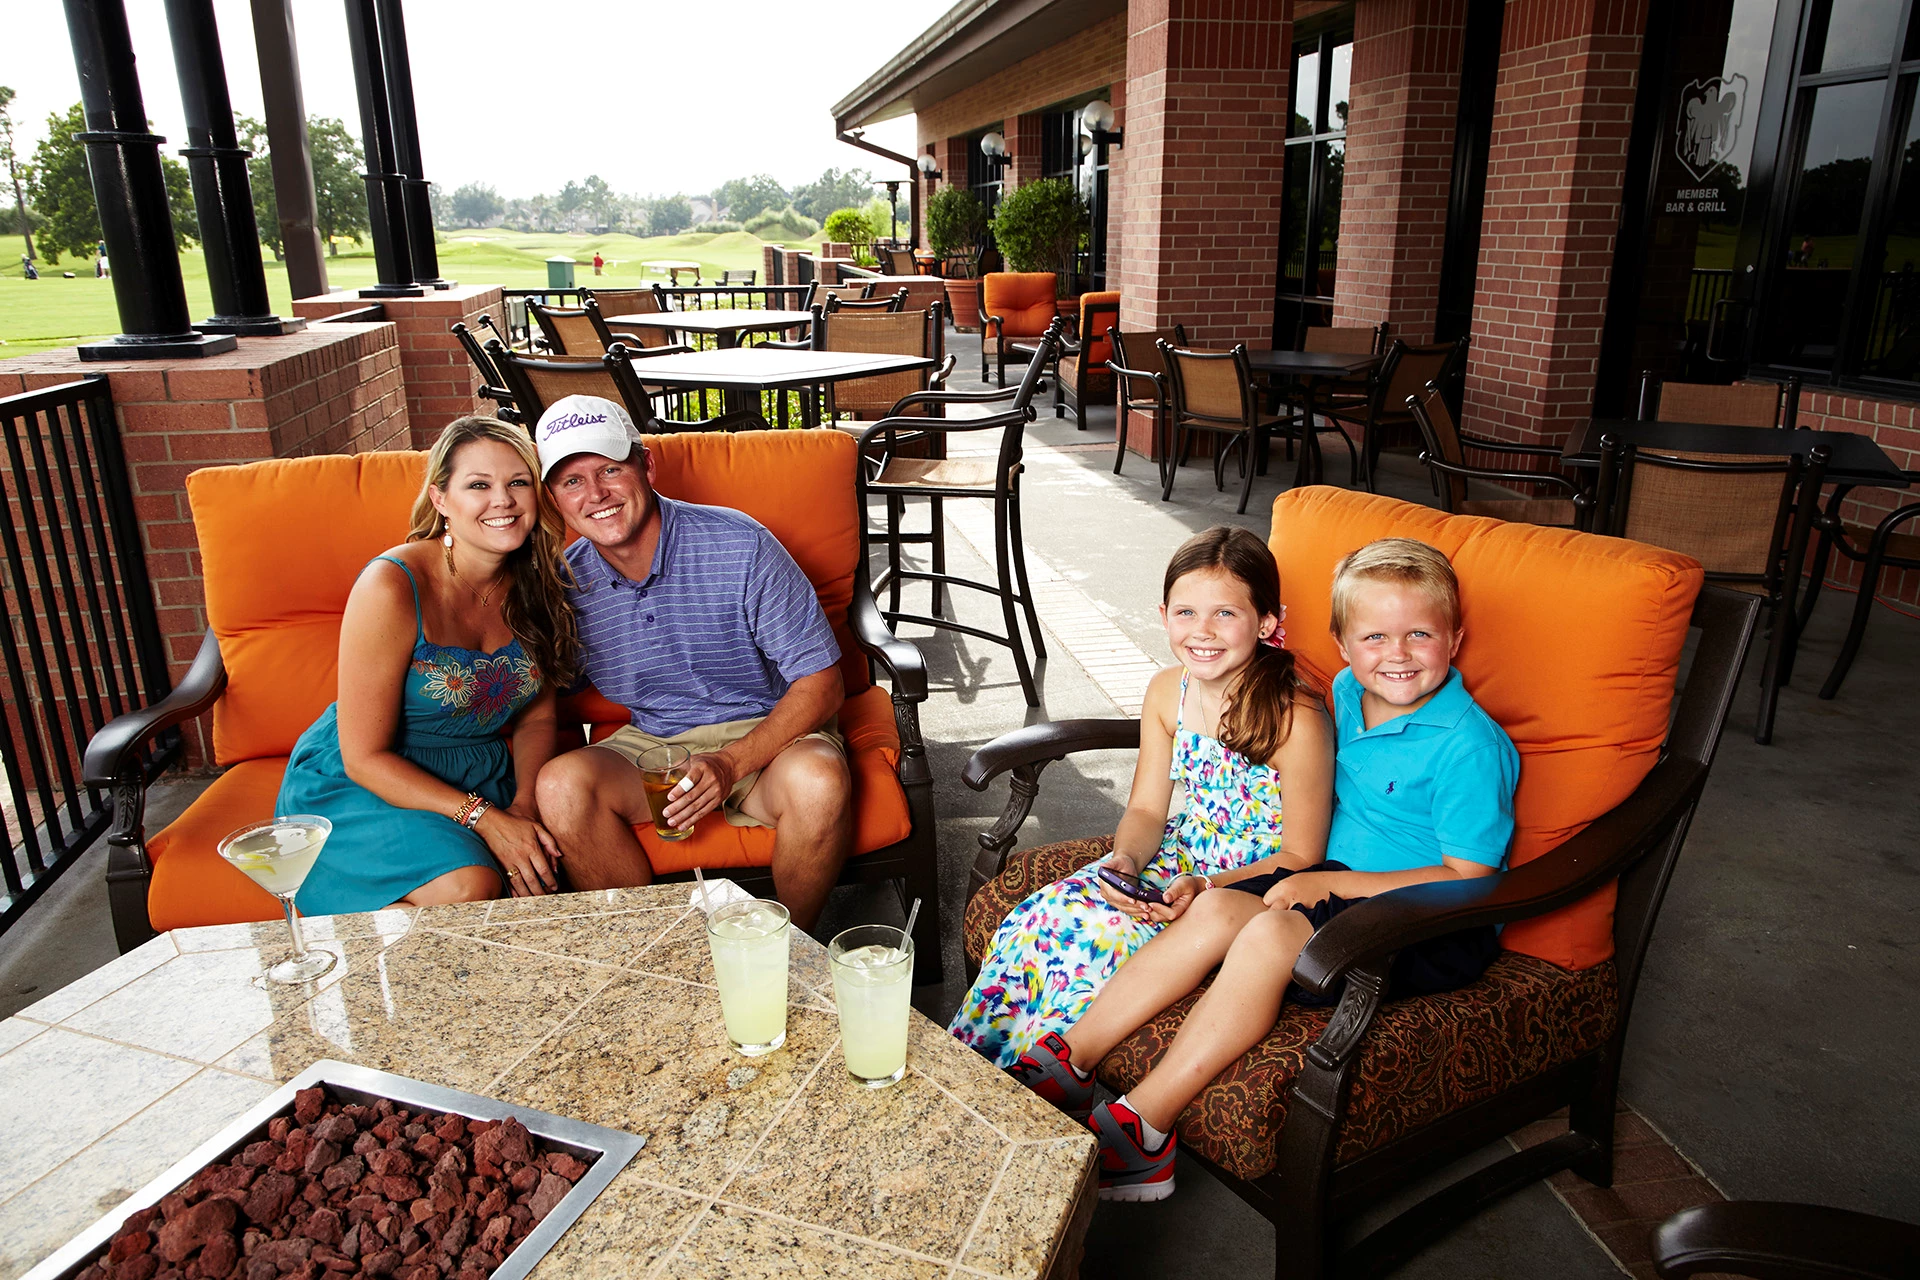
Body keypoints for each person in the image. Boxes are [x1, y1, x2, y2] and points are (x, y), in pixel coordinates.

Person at [1010, 538, 1519, 1202]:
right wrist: (1214, 880)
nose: (1395, 654)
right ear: (1341, 644)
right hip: (1340, 888)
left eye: (1419, 634)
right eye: (1374, 636)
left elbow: (1472, 878)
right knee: (1215, 908)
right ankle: (1069, 1057)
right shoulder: (1349, 691)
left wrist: (1328, 882)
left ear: (1455, 639)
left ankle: (1144, 1128)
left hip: (1435, 920)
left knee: (1269, 933)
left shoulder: (1470, 746)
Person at [950, 526, 1333, 1069]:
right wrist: (1125, 862)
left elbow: (1302, 856)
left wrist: (1204, 886)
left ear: (1267, 622)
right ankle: (973, 1076)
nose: (1202, 631)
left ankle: (1039, 1088)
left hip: (1248, 887)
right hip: (1175, 857)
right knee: (1040, 919)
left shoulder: (1296, 716)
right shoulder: (1166, 691)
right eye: (1185, 613)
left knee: (1096, 948)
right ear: (1162, 614)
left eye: (1225, 613)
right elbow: (1149, 810)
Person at [531, 395, 853, 930]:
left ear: (647, 465)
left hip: (769, 736)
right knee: (560, 786)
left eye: (611, 469)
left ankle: (789, 960)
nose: (596, 495)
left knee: (819, 781)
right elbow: (542, 694)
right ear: (554, 498)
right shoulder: (564, 583)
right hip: (653, 747)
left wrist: (729, 764)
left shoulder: (740, 543)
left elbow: (822, 682)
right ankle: (656, 963)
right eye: (572, 481)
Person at [283, 416, 580, 914]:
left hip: (482, 772)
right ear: (441, 499)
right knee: (468, 889)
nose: (503, 500)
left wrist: (525, 804)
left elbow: (539, 716)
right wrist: (487, 820)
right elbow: (364, 757)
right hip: (371, 779)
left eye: (518, 482)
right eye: (478, 485)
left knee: (536, 879)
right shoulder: (392, 586)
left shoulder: (543, 583)